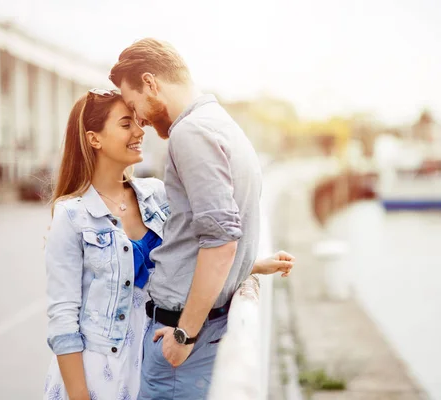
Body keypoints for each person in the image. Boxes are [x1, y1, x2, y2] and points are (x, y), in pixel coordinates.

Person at [44, 88, 294, 400]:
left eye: (137, 122)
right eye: (126, 125)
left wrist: (251, 264)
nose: (140, 131)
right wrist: (79, 395)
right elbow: (63, 316)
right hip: (99, 373)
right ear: (94, 139)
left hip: (155, 356)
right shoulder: (71, 215)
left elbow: (186, 259)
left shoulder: (157, 194)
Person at [109, 38, 273, 399]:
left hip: (184, 345)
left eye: (136, 105)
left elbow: (221, 241)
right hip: (200, 336)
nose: (140, 120)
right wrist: (253, 266)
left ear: (151, 83)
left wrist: (184, 334)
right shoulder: (218, 121)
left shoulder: (190, 132)